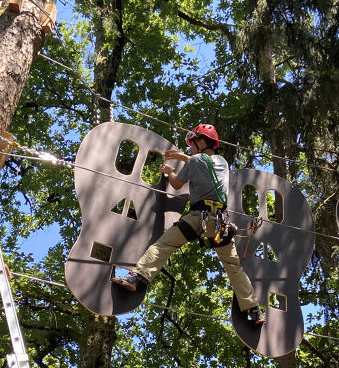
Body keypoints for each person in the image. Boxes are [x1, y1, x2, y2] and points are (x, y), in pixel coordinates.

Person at [111, 123, 266, 324]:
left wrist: (169, 171)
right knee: (233, 266)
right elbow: (203, 164)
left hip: (197, 219)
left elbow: (176, 184)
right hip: (221, 224)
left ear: (201, 141)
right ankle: (254, 310)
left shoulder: (194, 161)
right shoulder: (223, 162)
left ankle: (137, 278)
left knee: (164, 245)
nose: (190, 148)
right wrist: (184, 157)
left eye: (192, 143)